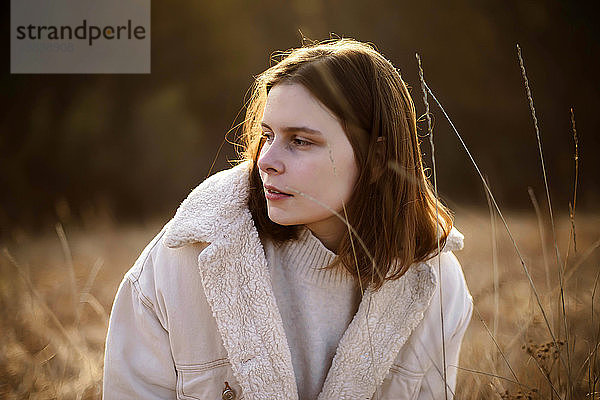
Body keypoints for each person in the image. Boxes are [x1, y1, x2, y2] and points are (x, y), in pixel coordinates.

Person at [102, 37, 473, 400]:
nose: (265, 160)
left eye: (300, 141)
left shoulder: (437, 284)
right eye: (267, 135)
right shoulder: (184, 261)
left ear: (377, 157)